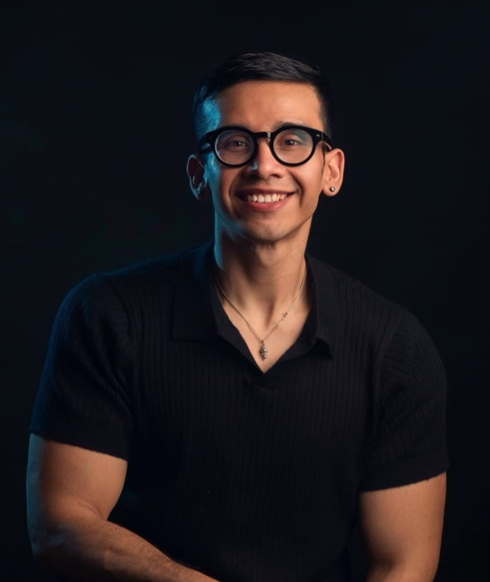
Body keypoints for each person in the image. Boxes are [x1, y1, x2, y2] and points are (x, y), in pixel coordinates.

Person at [26, 51, 448, 582]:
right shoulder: (108, 316)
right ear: (199, 174)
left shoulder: (394, 347)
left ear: (331, 170)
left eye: (292, 140)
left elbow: (402, 563)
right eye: (235, 142)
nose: (263, 165)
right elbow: (62, 524)